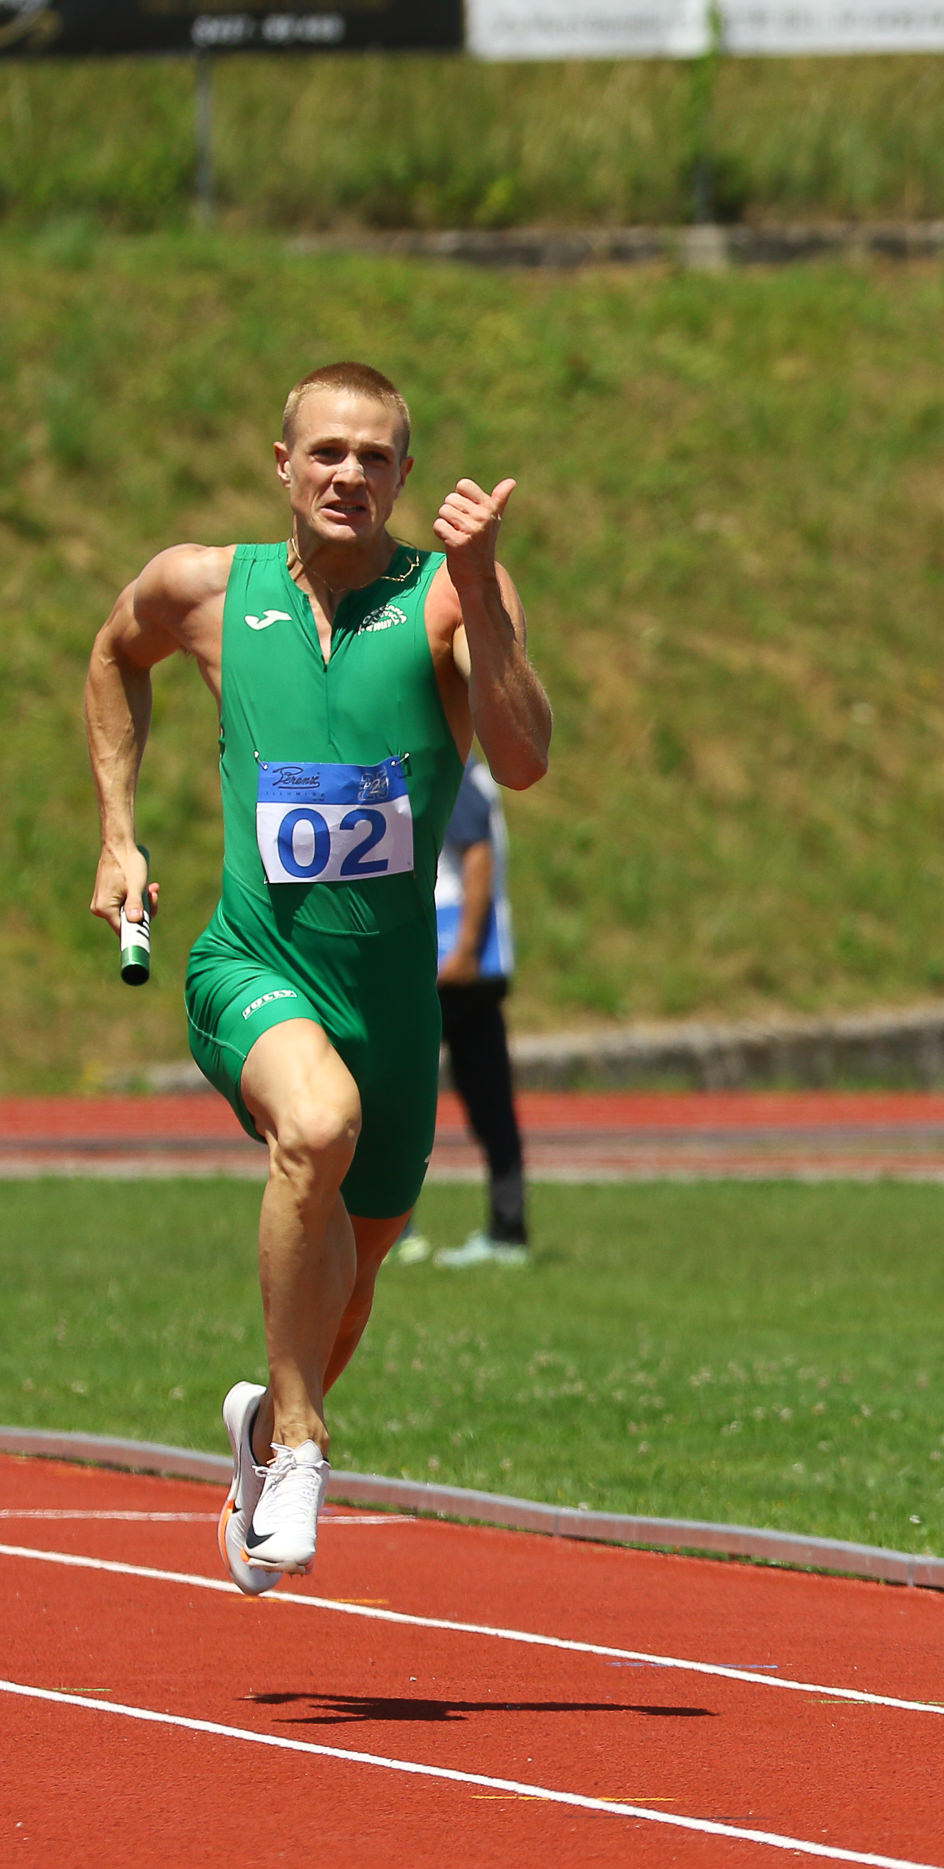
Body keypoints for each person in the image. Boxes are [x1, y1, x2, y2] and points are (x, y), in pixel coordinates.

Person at [83, 362, 551, 1595]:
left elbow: (524, 758)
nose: (350, 474)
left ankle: (263, 1423)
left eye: (375, 456)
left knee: (350, 1284)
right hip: (251, 963)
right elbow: (114, 655)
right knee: (317, 1123)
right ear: (282, 464)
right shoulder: (204, 588)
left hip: (390, 1002)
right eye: (328, 452)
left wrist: (482, 589)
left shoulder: (449, 596)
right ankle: (300, 1442)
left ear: (405, 475)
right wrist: (119, 833)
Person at [424, 751, 530, 1268]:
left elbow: (477, 854)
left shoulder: (454, 770)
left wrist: (464, 948)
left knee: (391, 1094)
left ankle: (391, 1229)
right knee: (490, 1101)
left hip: (453, 963)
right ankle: (508, 1229)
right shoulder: (478, 775)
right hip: (480, 962)